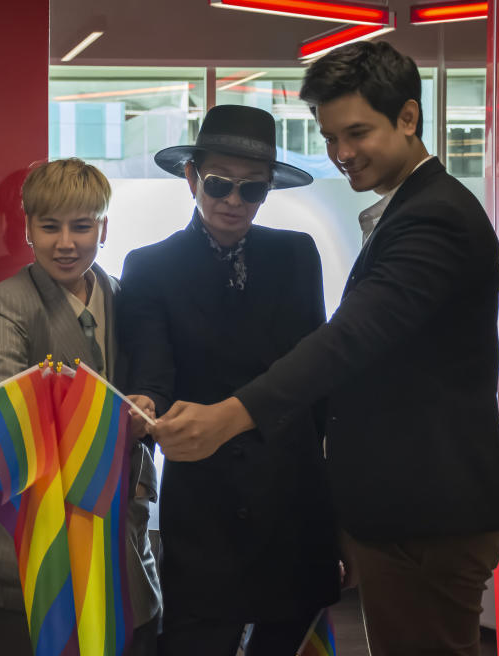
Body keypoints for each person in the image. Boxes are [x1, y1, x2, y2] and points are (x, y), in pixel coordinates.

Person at [151, 42, 499, 656]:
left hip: (423, 512)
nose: (342, 154)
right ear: (192, 179)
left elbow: (345, 341)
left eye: (357, 133)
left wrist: (229, 416)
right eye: (331, 137)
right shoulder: (408, 211)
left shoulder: (433, 216)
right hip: (382, 511)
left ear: (409, 119)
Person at [119, 105, 339, 655]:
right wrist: (146, 403)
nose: (234, 202)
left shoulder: (295, 254)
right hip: (206, 501)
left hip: (293, 496)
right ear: (192, 177)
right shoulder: (151, 266)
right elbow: (154, 375)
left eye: (253, 190)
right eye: (219, 184)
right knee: (197, 639)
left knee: (289, 639)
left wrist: (339, 514)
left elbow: (315, 384)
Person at [0, 157, 162, 655]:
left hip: (122, 543)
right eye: (49, 227)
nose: (66, 243)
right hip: (31, 552)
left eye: (82, 226)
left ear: (104, 227)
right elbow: (9, 419)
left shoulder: (128, 297)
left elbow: (155, 385)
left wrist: (149, 406)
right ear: (27, 228)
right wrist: (120, 418)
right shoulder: (2, 304)